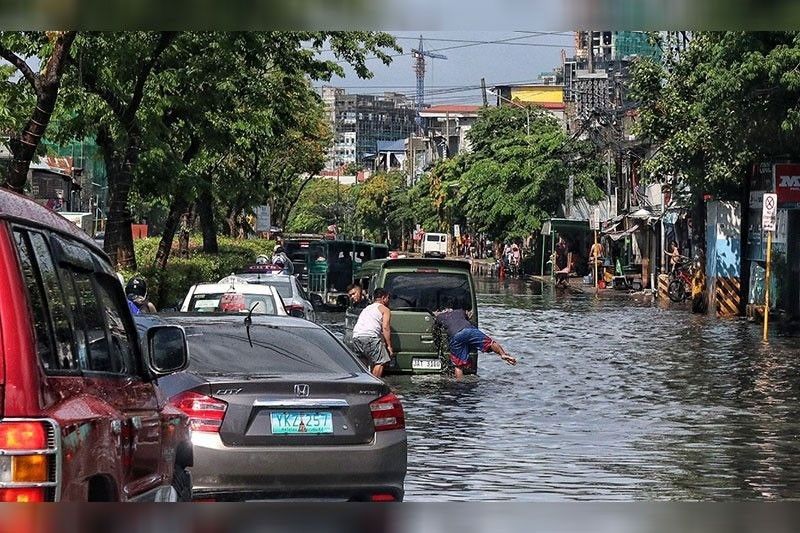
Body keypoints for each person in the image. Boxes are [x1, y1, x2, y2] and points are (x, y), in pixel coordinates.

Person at [433, 305, 516, 381]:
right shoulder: (459, 311)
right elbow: (468, 315)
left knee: (458, 366)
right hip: (469, 330)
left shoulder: (439, 317)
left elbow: (436, 331)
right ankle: (503, 354)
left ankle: (459, 383)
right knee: (490, 342)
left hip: (456, 335)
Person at [350, 288, 394, 378]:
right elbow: (385, 327)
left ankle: (362, 385)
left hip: (356, 337)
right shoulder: (385, 310)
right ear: (383, 297)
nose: (389, 300)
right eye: (388, 298)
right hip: (369, 337)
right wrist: (389, 346)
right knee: (381, 360)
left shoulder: (367, 308)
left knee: (362, 365)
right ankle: (374, 385)